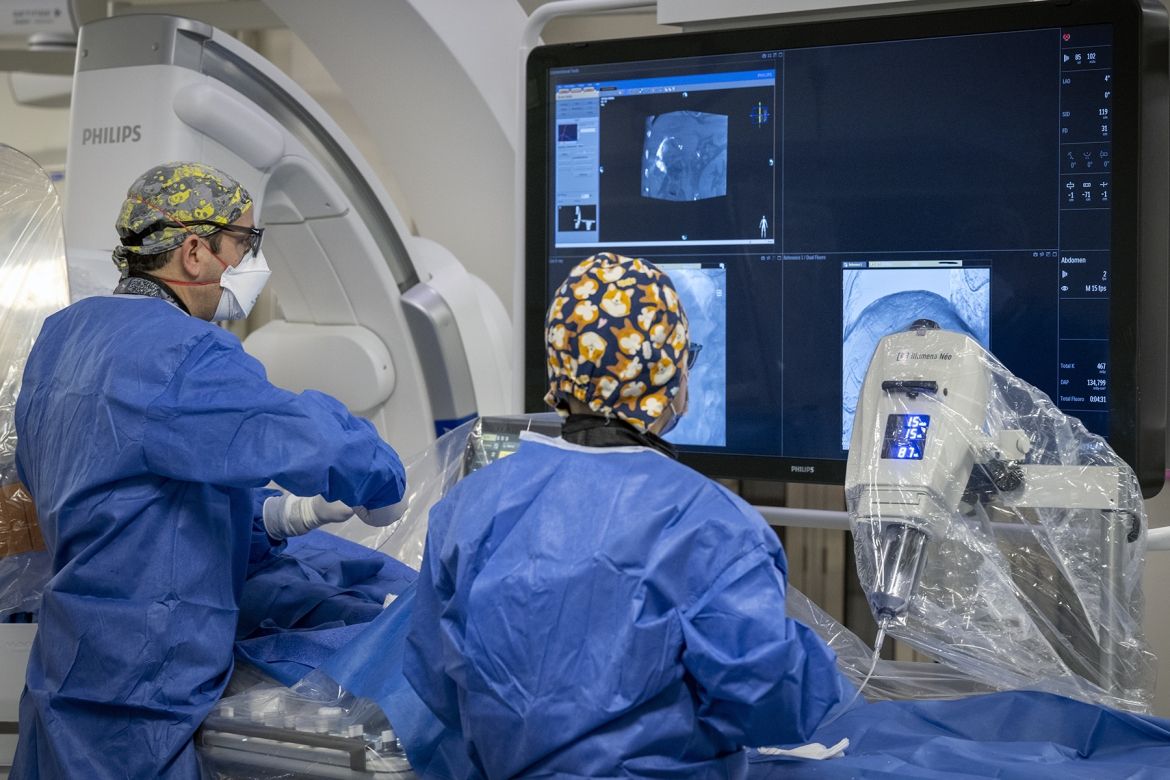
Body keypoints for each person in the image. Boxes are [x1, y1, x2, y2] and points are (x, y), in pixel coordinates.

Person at [12, 162, 407, 779]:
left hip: (66, 673)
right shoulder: (183, 354)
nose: (252, 264)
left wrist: (272, 515)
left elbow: (111, 490)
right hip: (144, 693)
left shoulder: (65, 338)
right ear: (195, 252)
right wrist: (381, 477)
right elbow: (313, 440)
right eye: (245, 245)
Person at [404, 252, 850, 778]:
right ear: (669, 379)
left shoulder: (471, 506)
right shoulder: (711, 527)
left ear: (562, 370)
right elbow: (775, 701)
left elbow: (435, 679)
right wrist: (818, 668)